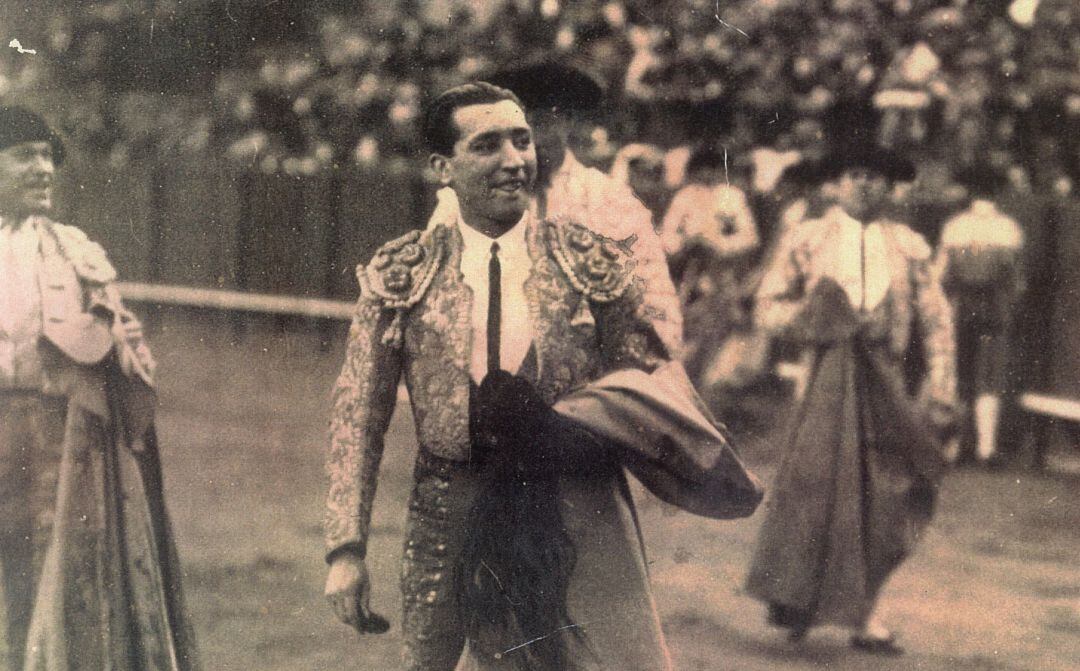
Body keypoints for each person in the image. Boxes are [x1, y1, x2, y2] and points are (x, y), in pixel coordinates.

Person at [322, 82, 761, 671]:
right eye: (487, 145)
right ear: (440, 167)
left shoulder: (591, 261)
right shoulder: (402, 273)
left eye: (521, 140)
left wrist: (592, 425)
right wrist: (345, 549)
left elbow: (652, 378)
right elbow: (358, 414)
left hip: (577, 493)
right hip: (451, 499)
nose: (514, 160)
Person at [0, 107, 200, 670]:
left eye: (47, 157)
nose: (42, 169)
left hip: (65, 445)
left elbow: (131, 355)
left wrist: (123, 349)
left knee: (69, 581)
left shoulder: (74, 249)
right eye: (24, 156)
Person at [744, 142, 957, 655]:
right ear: (836, 184)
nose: (864, 184)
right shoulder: (809, 237)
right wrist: (810, 322)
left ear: (890, 187)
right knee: (815, 491)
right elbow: (767, 305)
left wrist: (944, 382)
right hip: (822, 378)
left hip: (885, 379)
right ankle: (800, 598)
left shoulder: (909, 245)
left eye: (876, 177)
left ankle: (868, 615)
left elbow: (936, 317)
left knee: (887, 496)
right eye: (854, 173)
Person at [426, 61, 684, 359]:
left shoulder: (609, 200)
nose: (529, 138)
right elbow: (436, 296)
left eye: (542, 121)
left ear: (568, 120)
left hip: (591, 379)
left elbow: (654, 300)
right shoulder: (464, 199)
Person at [936, 167, 1025, 464]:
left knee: (960, 374)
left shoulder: (955, 226)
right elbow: (1016, 279)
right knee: (989, 376)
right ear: (997, 195)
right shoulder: (1008, 227)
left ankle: (955, 446)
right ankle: (985, 448)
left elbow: (941, 275)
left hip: (960, 306)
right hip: (994, 308)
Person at [659, 145, 759, 387]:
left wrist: (717, 246)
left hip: (722, 273)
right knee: (685, 333)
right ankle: (682, 383)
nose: (706, 175)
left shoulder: (732, 196)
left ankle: (709, 385)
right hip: (688, 273)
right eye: (700, 170)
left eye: (712, 169)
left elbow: (749, 237)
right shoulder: (684, 197)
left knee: (718, 336)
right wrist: (684, 245)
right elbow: (667, 235)